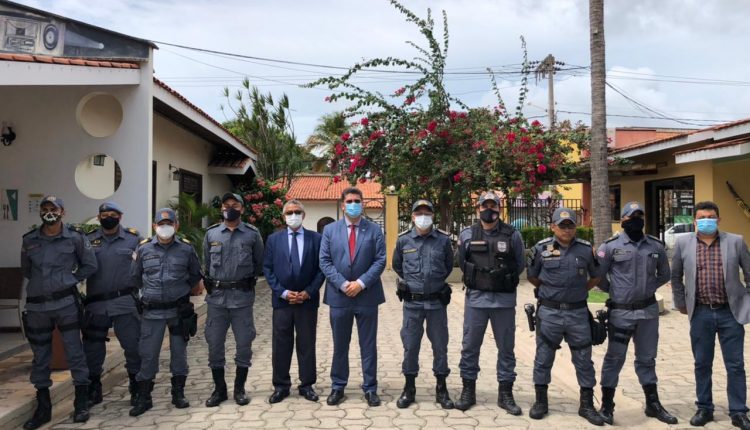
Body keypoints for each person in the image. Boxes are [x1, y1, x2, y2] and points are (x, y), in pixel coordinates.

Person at [596, 201, 676, 425]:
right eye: (631, 217)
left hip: (648, 313)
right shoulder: (610, 246)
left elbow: (665, 274)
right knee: (614, 358)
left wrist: (649, 289)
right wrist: (615, 291)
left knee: (647, 359)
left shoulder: (655, 246)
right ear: (623, 220)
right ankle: (607, 405)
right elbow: (598, 276)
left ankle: (653, 404)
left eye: (640, 216)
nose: (636, 220)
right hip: (620, 314)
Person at [671, 201, 750, 429]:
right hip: (701, 313)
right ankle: (704, 408)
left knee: (735, 365)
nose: (707, 220)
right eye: (702, 217)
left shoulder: (735, 241)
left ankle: (738, 411)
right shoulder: (683, 243)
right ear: (695, 220)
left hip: (730, 314)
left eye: (711, 216)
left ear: (718, 219)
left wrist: (747, 304)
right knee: (702, 363)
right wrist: (680, 303)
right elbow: (676, 277)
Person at [20, 195, 97, 429]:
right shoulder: (30, 239)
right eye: (44, 209)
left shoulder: (74, 237)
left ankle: (81, 402)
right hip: (37, 306)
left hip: (65, 304)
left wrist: (68, 280)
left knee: (74, 351)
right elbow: (27, 269)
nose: (48, 212)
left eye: (53, 208)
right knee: (40, 356)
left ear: (62, 211)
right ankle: (43, 407)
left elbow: (90, 265)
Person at [526, 208, 604, 425]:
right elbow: (532, 276)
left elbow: (596, 276)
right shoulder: (542, 249)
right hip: (549, 312)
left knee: (583, 360)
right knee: (543, 358)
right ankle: (541, 402)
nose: (567, 229)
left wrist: (579, 291)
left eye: (570, 225)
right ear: (553, 227)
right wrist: (551, 291)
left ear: (575, 227)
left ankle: (586, 405)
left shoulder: (586, 250)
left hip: (577, 312)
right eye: (562, 225)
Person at [455, 191, 525, 413]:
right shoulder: (467, 234)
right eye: (485, 206)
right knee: (470, 346)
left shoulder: (513, 235)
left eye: (493, 206)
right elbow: (461, 262)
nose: (489, 210)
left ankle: (505, 394)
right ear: (478, 209)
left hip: (503, 301)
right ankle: (468, 391)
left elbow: (520, 264)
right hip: (476, 299)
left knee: (506, 348)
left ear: (499, 209)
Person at [129, 208, 202, 417]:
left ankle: (178, 393)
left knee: (179, 354)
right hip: (152, 312)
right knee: (148, 355)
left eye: (169, 223)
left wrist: (181, 292)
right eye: (161, 224)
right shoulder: (143, 249)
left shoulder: (186, 249)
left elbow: (195, 274)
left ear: (176, 225)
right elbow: (134, 277)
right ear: (154, 226)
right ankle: (144, 397)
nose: (165, 227)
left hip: (178, 311)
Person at [319, 186, 386, 406]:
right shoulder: (330, 230)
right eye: (349, 201)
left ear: (363, 203)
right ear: (342, 205)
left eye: (357, 200)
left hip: (367, 295)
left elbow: (380, 261)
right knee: (340, 344)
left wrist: (361, 283)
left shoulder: (374, 230)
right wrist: (343, 283)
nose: (353, 204)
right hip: (339, 297)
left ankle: (370, 388)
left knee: (368, 344)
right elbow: (325, 261)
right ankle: (338, 386)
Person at [392, 199, 455, 410]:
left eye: (427, 212)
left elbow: (447, 266)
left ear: (433, 215)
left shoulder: (443, 241)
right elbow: (397, 266)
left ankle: (441, 388)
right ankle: (409, 388)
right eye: (419, 213)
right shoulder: (403, 241)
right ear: (412, 216)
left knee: (440, 346)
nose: (423, 216)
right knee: (410, 346)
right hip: (413, 305)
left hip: (437, 303)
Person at [202, 193, 263, 408]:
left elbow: (259, 264)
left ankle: (239, 388)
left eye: (235, 205)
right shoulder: (211, 234)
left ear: (243, 209)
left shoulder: (252, 235)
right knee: (214, 345)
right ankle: (219, 390)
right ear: (222, 210)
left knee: (244, 344)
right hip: (217, 300)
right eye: (227, 206)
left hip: (242, 299)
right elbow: (206, 264)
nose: (230, 208)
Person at [263, 199, 325, 403]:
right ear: (284, 216)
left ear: (304, 215)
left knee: (307, 344)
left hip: (307, 301)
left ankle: (307, 385)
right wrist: (282, 292)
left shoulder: (316, 239)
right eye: (289, 212)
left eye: (297, 212)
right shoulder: (273, 239)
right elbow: (268, 269)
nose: (293, 216)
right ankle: (281, 386)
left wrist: (308, 291)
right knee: (281, 344)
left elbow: (321, 268)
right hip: (282, 302)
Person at [83, 202, 143, 407]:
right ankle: (94, 387)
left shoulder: (134, 239)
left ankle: (136, 385)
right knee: (92, 348)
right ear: (98, 218)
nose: (108, 217)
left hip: (124, 301)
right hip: (96, 303)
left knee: (133, 345)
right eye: (104, 214)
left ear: (120, 216)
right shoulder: (88, 240)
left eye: (113, 214)